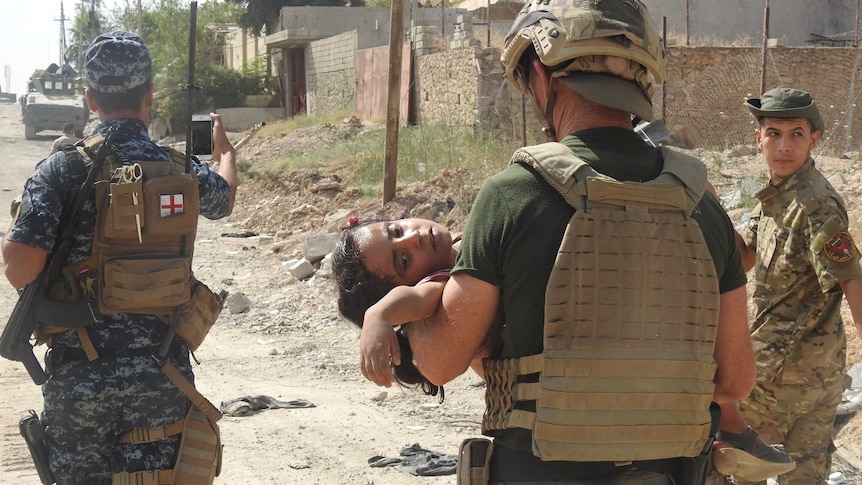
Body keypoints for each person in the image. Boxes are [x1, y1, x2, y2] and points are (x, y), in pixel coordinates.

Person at [358, 0, 760, 483]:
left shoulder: (512, 194)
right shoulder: (703, 205)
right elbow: (736, 377)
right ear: (641, 76)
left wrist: (404, 317)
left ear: (544, 77)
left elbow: (442, 363)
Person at [1, 31, 237, 484]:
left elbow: (20, 267)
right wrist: (226, 154)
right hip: (162, 371)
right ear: (149, 96)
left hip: (81, 377)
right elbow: (222, 199)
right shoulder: (179, 167)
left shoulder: (62, 169)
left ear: (91, 99)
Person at [733, 87, 862, 484]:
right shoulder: (776, 196)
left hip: (780, 381)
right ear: (759, 139)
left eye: (796, 134)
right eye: (774, 134)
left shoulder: (815, 203)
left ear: (814, 140)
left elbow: (852, 279)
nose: (784, 146)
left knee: (737, 468)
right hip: (799, 375)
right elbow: (745, 258)